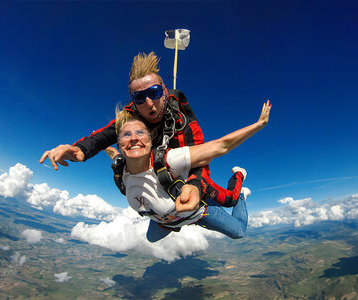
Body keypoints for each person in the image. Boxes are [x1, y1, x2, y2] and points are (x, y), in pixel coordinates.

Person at [40, 52, 258, 207]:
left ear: (164, 91)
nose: (149, 103)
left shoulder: (184, 123)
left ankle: (239, 175)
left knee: (229, 200)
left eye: (154, 92)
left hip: (184, 171)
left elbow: (202, 159)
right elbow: (104, 134)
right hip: (160, 176)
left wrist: (194, 186)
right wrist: (78, 150)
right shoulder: (131, 118)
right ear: (133, 101)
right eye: (139, 97)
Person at [105, 100, 271, 242]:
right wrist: (97, 145)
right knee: (151, 238)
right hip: (166, 219)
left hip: (200, 212)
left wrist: (259, 125)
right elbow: (114, 153)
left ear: (150, 140)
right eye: (126, 135)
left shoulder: (169, 160)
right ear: (118, 143)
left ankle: (241, 192)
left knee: (238, 229)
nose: (133, 139)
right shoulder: (122, 169)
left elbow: (221, 145)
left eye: (140, 133)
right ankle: (175, 220)